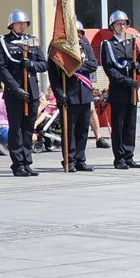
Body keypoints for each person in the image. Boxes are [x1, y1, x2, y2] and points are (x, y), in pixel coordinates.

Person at [0, 9, 48, 176]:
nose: (22, 26)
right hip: (14, 91)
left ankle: (27, 161)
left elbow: (43, 65)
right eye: (19, 23)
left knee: (28, 128)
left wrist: (31, 65)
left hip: (31, 91)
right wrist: (15, 88)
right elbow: (1, 68)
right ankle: (17, 164)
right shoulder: (4, 41)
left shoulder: (32, 41)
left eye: (25, 23)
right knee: (16, 128)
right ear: (12, 25)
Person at [48, 20, 99, 172]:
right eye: (75, 33)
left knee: (83, 129)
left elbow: (93, 65)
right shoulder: (59, 49)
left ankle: (80, 159)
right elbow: (53, 74)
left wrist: (74, 65)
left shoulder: (85, 45)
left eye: (80, 33)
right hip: (68, 93)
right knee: (70, 130)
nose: (78, 36)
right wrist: (59, 94)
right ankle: (69, 160)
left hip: (84, 93)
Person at [100, 10, 140, 169]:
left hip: (132, 92)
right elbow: (109, 69)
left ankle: (129, 155)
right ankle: (119, 158)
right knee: (118, 126)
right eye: (119, 23)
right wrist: (127, 81)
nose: (122, 26)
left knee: (130, 125)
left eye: (124, 23)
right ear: (112, 26)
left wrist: (137, 67)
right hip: (119, 90)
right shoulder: (108, 45)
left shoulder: (131, 43)